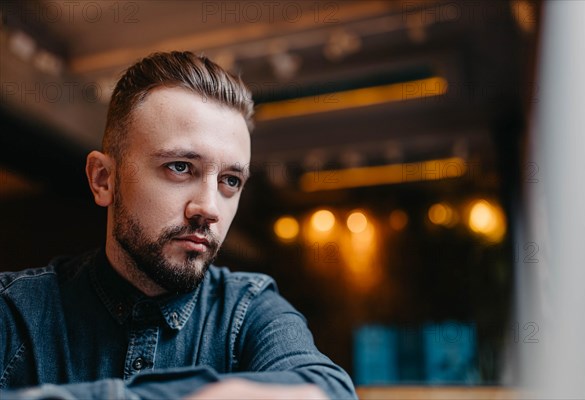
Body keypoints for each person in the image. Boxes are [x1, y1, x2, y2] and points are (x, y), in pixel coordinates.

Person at [0, 51, 357, 400]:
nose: (209, 207)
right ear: (104, 179)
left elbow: (325, 392)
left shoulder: (249, 311)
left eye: (230, 180)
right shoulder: (15, 312)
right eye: (180, 167)